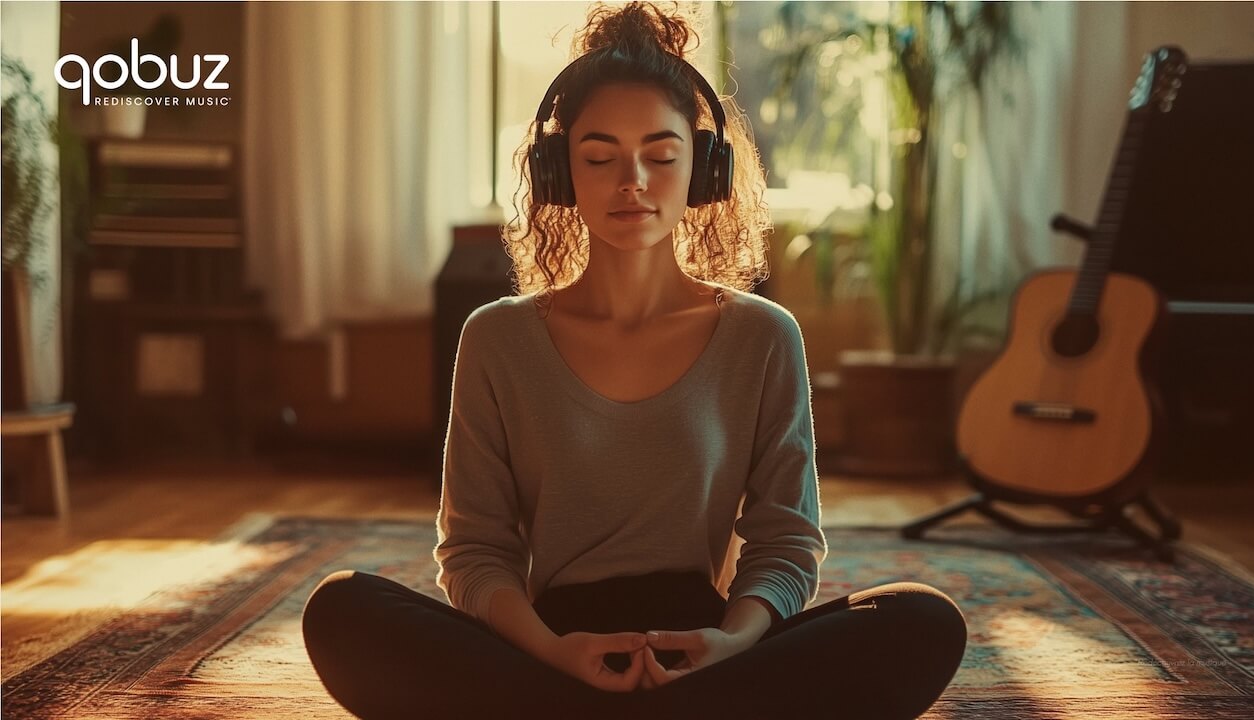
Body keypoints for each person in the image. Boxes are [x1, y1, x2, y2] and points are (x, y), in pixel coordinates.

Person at [301, 3, 967, 718]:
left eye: (661, 154)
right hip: (552, 652)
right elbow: (474, 551)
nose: (633, 180)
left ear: (705, 172)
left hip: (705, 656)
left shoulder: (763, 336)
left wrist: (733, 643)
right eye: (599, 156)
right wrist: (555, 653)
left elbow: (786, 542)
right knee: (343, 607)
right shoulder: (496, 338)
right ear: (559, 173)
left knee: (922, 619)